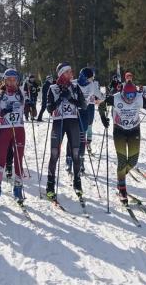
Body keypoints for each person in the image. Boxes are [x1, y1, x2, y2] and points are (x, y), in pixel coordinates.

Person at [45, 62, 87, 201]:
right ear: (62, 73)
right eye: (68, 72)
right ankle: (50, 185)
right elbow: (49, 109)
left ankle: (77, 182)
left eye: (71, 71)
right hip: (59, 122)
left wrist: (70, 98)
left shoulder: (75, 87)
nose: (71, 74)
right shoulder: (52, 88)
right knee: (54, 153)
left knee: (76, 153)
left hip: (73, 122)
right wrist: (59, 100)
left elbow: (83, 105)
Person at [0, 69, 27, 208]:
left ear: (17, 81)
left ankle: (17, 189)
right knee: (1, 159)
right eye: (9, 80)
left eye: (14, 80)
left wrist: (30, 105)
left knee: (18, 159)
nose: (11, 82)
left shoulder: (21, 93)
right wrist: (4, 111)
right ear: (4, 81)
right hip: (4, 130)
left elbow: (26, 108)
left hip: (19, 130)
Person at [107, 82, 143, 206]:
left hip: (134, 130)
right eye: (128, 95)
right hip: (119, 131)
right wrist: (103, 117)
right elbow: (102, 103)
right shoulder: (116, 97)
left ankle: (120, 177)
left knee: (133, 161)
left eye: (133, 94)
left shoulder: (138, 97)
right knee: (122, 161)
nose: (130, 97)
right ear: (123, 93)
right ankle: (122, 188)